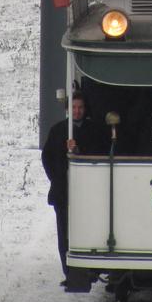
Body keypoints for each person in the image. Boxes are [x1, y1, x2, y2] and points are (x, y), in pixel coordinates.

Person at [41, 91, 107, 279]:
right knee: (64, 233)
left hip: (89, 194)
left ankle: (90, 269)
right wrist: (57, 178)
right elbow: (47, 158)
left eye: (80, 108)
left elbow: (98, 155)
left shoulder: (94, 130)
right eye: (74, 108)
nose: (77, 111)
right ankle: (69, 272)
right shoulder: (57, 130)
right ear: (68, 109)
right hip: (63, 193)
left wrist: (79, 150)